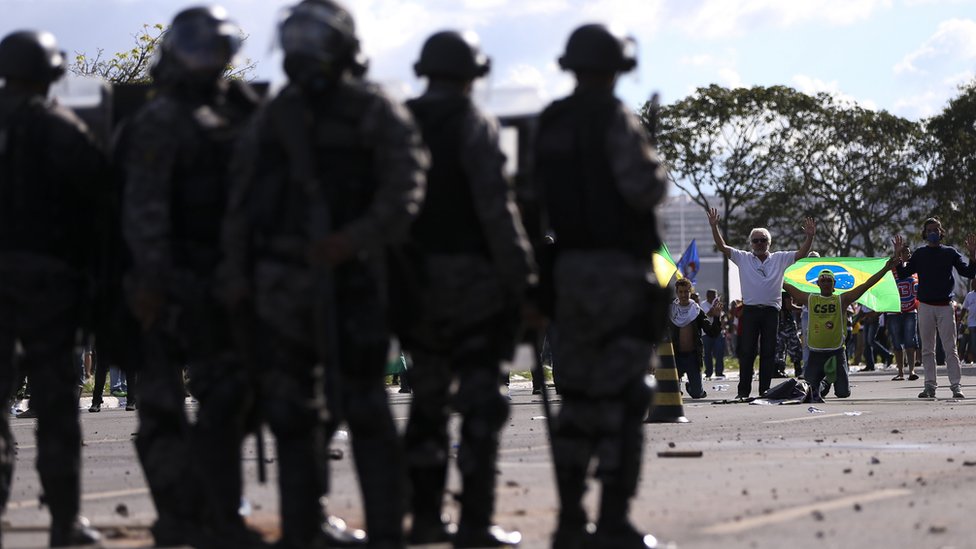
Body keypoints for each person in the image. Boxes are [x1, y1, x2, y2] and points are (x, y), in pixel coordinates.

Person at [220, 1, 428, 547]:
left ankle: (385, 527)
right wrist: (238, 276)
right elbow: (239, 204)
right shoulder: (273, 116)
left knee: (364, 405)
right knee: (292, 414)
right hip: (283, 287)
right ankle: (303, 526)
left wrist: (353, 240)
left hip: (354, 282)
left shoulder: (372, 110)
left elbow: (405, 189)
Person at [121, 7, 264, 547]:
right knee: (161, 405)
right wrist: (153, 282)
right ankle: (183, 515)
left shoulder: (239, 113)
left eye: (217, 50)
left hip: (224, 280)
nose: (209, 60)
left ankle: (216, 513)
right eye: (198, 48)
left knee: (231, 399)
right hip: (169, 283)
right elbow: (145, 209)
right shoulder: (163, 119)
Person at [398, 29, 536, 547]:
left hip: (416, 285)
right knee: (481, 401)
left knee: (428, 402)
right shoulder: (472, 122)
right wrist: (523, 275)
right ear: (471, 74)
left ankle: (426, 515)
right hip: (473, 287)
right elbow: (495, 206)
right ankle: (475, 523)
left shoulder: (402, 120)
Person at [535, 23, 668, 549]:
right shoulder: (615, 120)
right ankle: (612, 519)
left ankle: (570, 519)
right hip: (615, 274)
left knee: (577, 397)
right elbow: (645, 188)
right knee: (624, 395)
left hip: (566, 274)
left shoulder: (551, 122)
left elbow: (530, 196)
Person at [0, 29, 104, 546]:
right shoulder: (61, 127)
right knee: (55, 408)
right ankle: (63, 522)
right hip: (48, 286)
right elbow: (96, 206)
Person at [707, 208, 815, 398]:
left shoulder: (780, 258)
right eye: (755, 240)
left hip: (771, 312)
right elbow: (722, 246)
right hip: (749, 311)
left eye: (762, 240)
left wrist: (810, 237)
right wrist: (714, 227)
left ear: (769, 243)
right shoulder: (744, 257)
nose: (759, 243)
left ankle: (764, 390)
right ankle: (743, 392)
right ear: (750, 243)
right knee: (747, 352)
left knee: (768, 352)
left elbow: (801, 253)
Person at [783, 258, 895, 403]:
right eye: (822, 281)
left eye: (829, 281)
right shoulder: (810, 299)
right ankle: (824, 381)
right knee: (809, 392)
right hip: (816, 353)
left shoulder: (842, 300)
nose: (826, 283)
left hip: (836, 352)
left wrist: (886, 269)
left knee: (843, 393)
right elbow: (786, 285)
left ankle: (829, 380)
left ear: (834, 285)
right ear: (817, 284)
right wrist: (772, 273)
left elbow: (866, 284)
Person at [894, 218, 976, 399]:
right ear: (925, 233)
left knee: (950, 348)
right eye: (929, 230)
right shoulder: (920, 254)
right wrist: (898, 255)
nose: (933, 233)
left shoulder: (950, 252)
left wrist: (972, 254)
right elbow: (902, 274)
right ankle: (929, 386)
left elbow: (969, 273)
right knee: (927, 349)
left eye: (936, 229)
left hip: (945, 307)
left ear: (941, 232)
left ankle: (956, 386)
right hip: (925, 306)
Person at [668, 279, 722, 399]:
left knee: (697, 394)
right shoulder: (671, 311)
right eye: (680, 292)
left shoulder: (696, 311)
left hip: (692, 357)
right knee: (672, 395)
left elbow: (712, 332)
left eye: (686, 292)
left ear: (690, 292)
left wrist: (717, 318)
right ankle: (676, 387)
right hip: (675, 356)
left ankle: (691, 386)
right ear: (677, 293)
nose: (683, 295)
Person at [887, 244, 919, 381]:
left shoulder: (914, 269)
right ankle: (900, 372)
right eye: (905, 252)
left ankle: (911, 370)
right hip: (894, 311)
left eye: (909, 253)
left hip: (911, 310)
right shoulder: (891, 269)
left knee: (910, 340)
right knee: (896, 342)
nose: (909, 255)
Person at [774, 291, 803, 377]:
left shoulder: (774, 291)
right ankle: (797, 369)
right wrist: (801, 309)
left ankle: (777, 369)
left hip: (778, 322)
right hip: (787, 323)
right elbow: (788, 306)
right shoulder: (785, 292)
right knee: (794, 346)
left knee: (779, 347)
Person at [700, 289, 726, 380]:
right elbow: (709, 314)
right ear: (708, 296)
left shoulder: (717, 304)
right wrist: (714, 307)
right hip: (706, 332)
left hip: (718, 332)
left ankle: (719, 372)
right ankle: (708, 372)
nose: (715, 298)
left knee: (719, 352)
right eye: (713, 296)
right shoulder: (703, 304)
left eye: (715, 296)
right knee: (707, 354)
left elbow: (720, 317)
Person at [962, 279, 976, 365]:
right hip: (972, 323)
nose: (973, 285)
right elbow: (964, 308)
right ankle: (973, 359)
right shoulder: (969, 295)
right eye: (972, 284)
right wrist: (960, 320)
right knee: (973, 342)